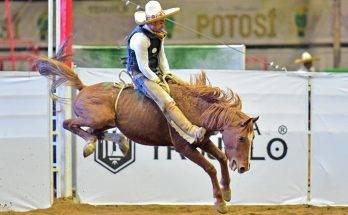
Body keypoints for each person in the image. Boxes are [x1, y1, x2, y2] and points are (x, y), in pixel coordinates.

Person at [126, 0, 206, 144]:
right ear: (150, 23)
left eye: (162, 22)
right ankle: (191, 130)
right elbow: (143, 66)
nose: (161, 25)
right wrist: (157, 81)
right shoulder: (140, 39)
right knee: (166, 101)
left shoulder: (159, 34)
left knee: (185, 86)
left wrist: (167, 74)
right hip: (141, 75)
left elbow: (161, 56)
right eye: (158, 22)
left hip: (155, 72)